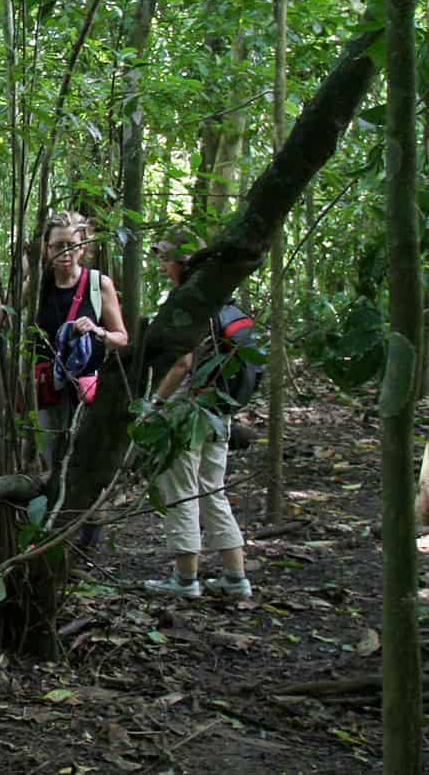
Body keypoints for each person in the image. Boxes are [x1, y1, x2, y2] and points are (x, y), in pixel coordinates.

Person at [142, 231, 252, 600]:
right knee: (213, 490)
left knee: (181, 490)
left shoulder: (191, 303)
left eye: (166, 260)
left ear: (181, 264)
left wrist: (155, 405)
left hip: (188, 411)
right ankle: (236, 577)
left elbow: (182, 364)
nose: (162, 267)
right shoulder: (221, 299)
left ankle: (185, 579)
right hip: (220, 412)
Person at [32, 211, 129, 538]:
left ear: (83, 246)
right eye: (57, 245)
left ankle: (88, 541)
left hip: (87, 389)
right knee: (51, 464)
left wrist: (98, 332)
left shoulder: (98, 284)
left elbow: (122, 337)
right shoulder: (38, 284)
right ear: (46, 248)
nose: (65, 252)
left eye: (72, 244)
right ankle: (56, 537)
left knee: (85, 464)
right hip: (48, 390)